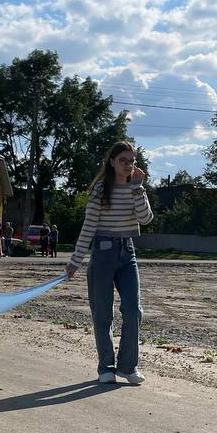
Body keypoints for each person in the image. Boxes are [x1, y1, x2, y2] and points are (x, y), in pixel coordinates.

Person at [66, 142, 153, 385]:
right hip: (102, 253)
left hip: (127, 252)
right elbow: (88, 227)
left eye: (132, 161)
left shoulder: (136, 187)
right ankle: (106, 367)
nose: (128, 165)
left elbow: (146, 218)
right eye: (123, 160)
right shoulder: (100, 189)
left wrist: (138, 188)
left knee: (133, 310)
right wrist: (75, 261)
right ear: (112, 162)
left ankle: (128, 366)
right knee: (103, 314)